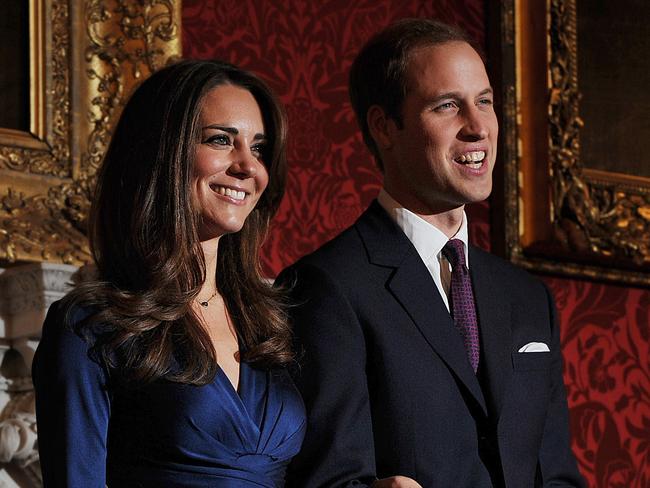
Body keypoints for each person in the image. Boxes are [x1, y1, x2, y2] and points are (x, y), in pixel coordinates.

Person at [276, 19, 585, 488]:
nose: (478, 127)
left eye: (484, 101)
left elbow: (558, 475)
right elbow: (331, 479)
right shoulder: (326, 287)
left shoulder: (528, 297)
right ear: (384, 127)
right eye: (448, 106)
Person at [32, 59, 305, 487]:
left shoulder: (271, 322)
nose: (248, 167)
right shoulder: (90, 326)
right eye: (221, 140)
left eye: (258, 149)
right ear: (162, 154)